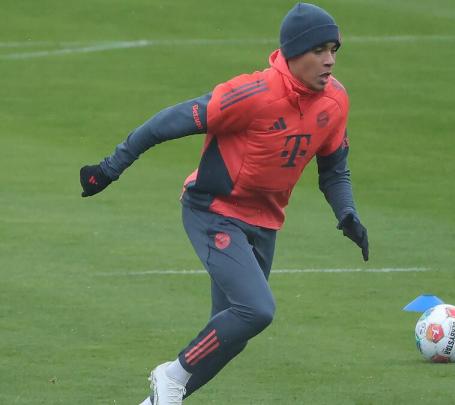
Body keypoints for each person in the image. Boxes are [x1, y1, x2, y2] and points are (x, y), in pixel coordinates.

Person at [79, 3, 369, 404]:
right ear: (293, 53)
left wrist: (346, 212)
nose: (330, 60)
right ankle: (170, 374)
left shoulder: (335, 101)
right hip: (213, 212)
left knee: (231, 333)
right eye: (319, 50)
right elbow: (165, 123)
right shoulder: (251, 94)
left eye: (334, 50)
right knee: (256, 309)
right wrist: (109, 168)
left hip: (265, 222)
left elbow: (334, 170)